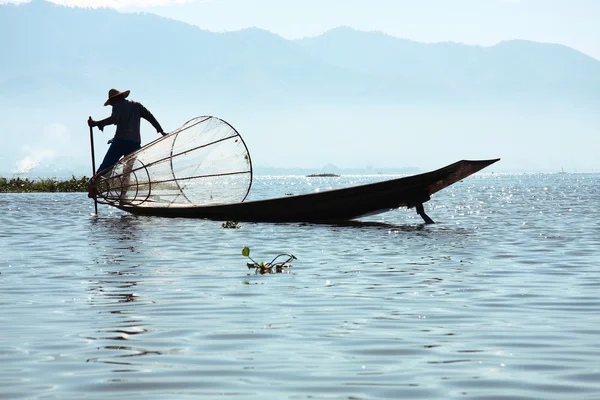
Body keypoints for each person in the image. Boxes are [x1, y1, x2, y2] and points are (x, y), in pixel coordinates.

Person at [87, 88, 166, 198]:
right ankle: (123, 197)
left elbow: (114, 119)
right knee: (127, 172)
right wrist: (161, 131)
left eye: (112, 102)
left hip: (120, 141)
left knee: (106, 165)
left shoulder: (117, 105)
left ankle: (93, 189)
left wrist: (96, 123)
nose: (112, 105)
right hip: (134, 143)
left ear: (115, 99)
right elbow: (150, 117)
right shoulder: (137, 106)